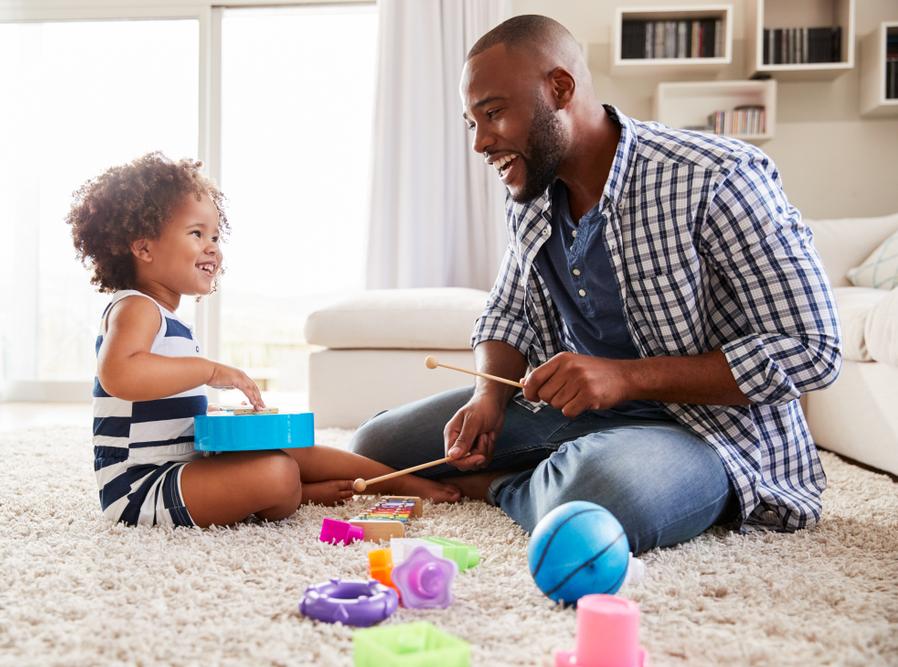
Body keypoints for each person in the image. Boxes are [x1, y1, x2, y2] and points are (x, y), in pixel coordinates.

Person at [349, 15, 841, 554]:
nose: (481, 143)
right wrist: (489, 395)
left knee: (595, 496)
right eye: (472, 122)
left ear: (560, 88)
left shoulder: (718, 176)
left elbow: (811, 350)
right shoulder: (533, 193)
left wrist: (626, 379)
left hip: (707, 434)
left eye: (493, 113)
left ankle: (496, 486)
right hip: (579, 416)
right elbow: (507, 313)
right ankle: (554, 472)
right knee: (375, 445)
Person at [67, 152, 460, 528]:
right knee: (278, 472)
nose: (212, 247)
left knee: (287, 447)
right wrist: (211, 371)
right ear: (143, 246)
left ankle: (396, 481)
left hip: (184, 465)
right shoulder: (136, 307)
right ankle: (299, 492)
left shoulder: (168, 319)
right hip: (141, 489)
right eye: (196, 233)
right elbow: (120, 373)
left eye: (216, 236)